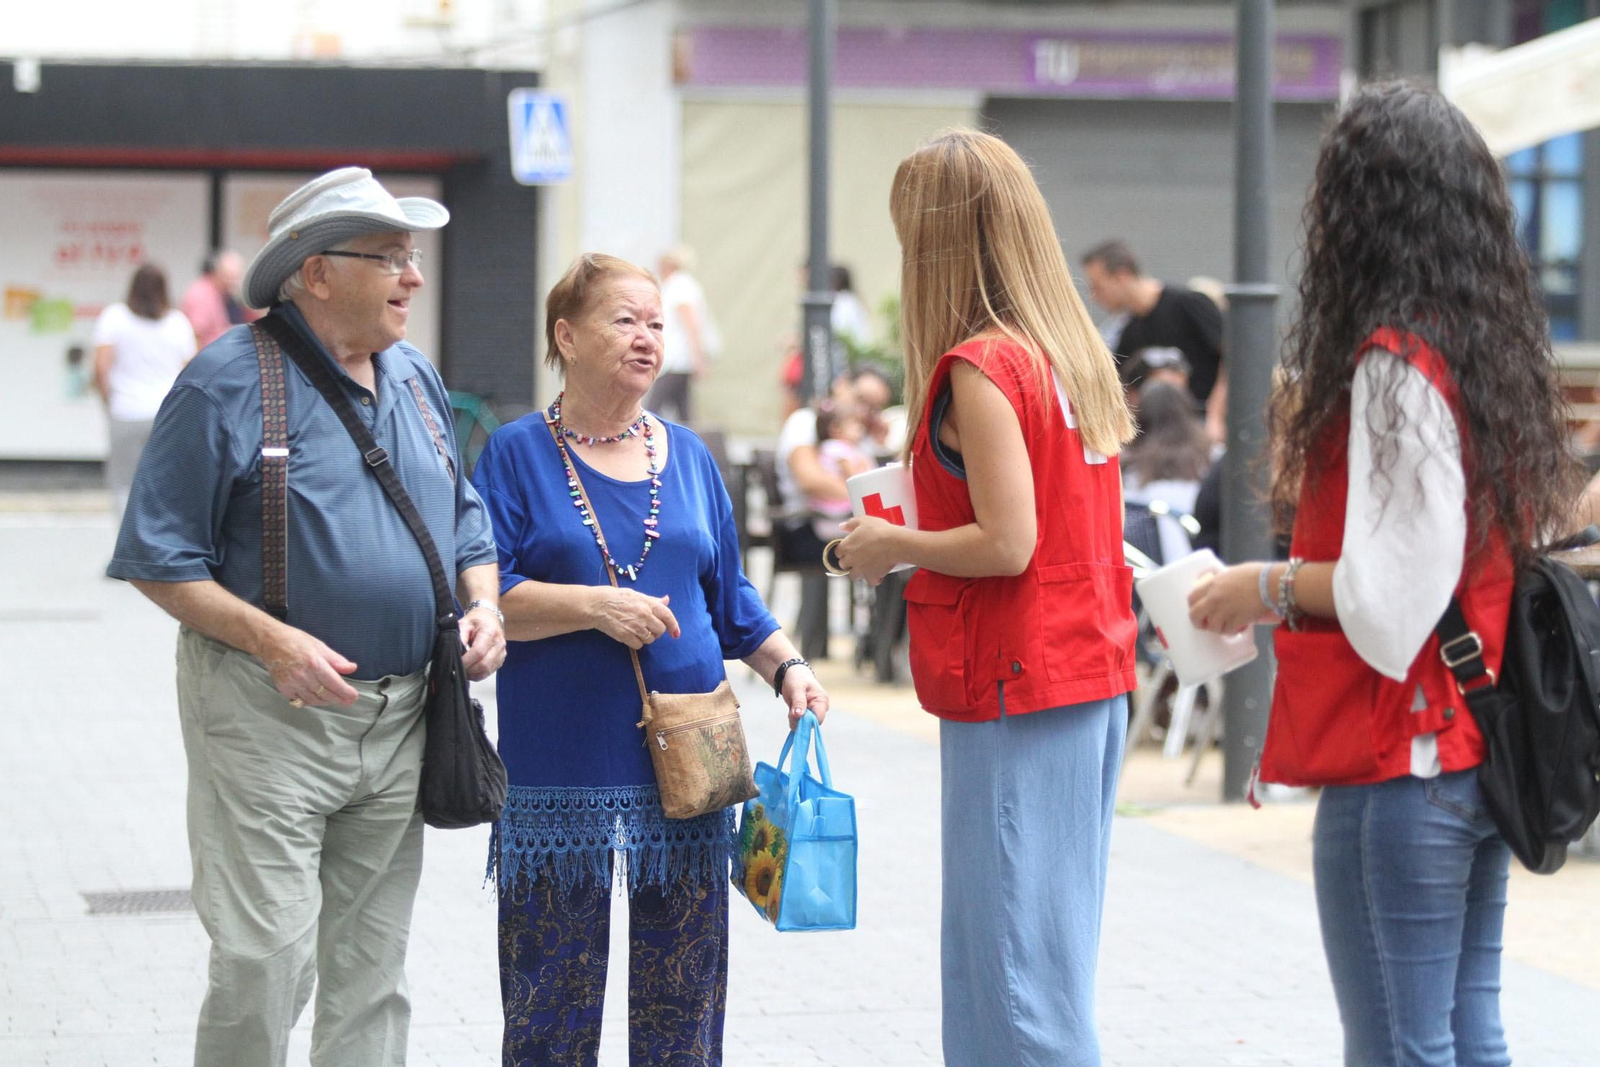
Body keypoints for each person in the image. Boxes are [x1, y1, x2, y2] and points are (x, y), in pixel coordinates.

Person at [1187, 81, 1579, 1066]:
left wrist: (1265, 586)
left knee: (1402, 1048)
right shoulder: (1481, 350)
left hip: (1401, 757)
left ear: (1356, 211)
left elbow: (1387, 603)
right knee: (1464, 1033)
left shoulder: (1392, 365)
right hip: (1475, 741)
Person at [107, 166, 505, 1066]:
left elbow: (465, 517)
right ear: (315, 273)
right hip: (266, 715)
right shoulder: (223, 382)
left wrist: (483, 607)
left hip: (404, 716)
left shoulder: (416, 377)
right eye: (390, 256)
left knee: (373, 972)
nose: (413, 275)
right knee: (265, 959)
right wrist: (270, 637)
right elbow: (157, 559)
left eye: (413, 256)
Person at [470, 253, 830, 1066]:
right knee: (549, 1001)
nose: (647, 338)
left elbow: (730, 596)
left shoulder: (691, 457)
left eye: (657, 323)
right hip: (560, 762)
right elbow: (487, 595)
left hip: (691, 758)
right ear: (566, 334)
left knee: (684, 997)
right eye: (624, 320)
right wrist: (594, 604)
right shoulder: (516, 454)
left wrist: (789, 667)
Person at [834, 128, 1137, 1066]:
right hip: (1087, 669)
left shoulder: (980, 366)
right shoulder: (1067, 354)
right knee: (1042, 960)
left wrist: (892, 543)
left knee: (1009, 977)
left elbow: (1009, 542)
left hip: (1014, 678)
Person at [1081, 239, 1227, 442]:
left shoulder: (1188, 303)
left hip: (1202, 429)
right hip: (1163, 438)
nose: (1094, 296)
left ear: (1122, 276)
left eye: (1098, 286)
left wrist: (1215, 416)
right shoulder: (1129, 330)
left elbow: (1233, 357)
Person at [92, 262, 197, 527]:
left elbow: (101, 368)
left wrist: (109, 401)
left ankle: (127, 545)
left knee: (123, 482)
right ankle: (157, 544)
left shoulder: (114, 317)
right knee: (165, 481)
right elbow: (192, 371)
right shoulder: (178, 323)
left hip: (125, 410)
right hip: (166, 415)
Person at [643, 245, 717, 423]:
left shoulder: (681, 286)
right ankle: (690, 442)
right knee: (683, 409)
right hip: (679, 361)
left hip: (676, 360)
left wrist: (698, 358)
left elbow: (692, 325)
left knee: (654, 406)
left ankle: (642, 436)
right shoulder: (676, 285)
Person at [807, 401, 873, 538]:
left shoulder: (845, 448)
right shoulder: (836, 448)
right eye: (855, 424)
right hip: (835, 515)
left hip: (838, 514)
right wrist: (863, 466)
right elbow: (854, 478)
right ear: (836, 428)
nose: (860, 428)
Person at [180, 249, 259, 349]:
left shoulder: (222, 294)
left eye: (237, 277)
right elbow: (197, 334)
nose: (235, 283)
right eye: (230, 277)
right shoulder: (201, 294)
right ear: (217, 273)